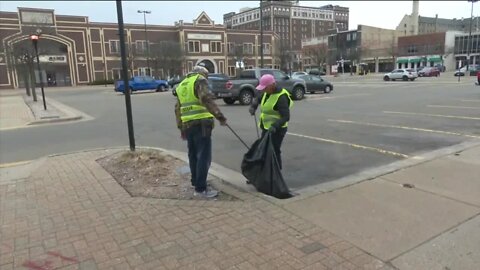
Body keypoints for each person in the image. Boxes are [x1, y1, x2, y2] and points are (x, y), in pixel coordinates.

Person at [175, 66, 227, 198]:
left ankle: (196, 182)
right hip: (202, 124)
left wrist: (181, 127)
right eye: (207, 75)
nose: (207, 78)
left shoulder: (182, 84)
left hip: (187, 124)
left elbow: (177, 108)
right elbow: (206, 99)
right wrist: (220, 116)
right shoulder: (200, 80)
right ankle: (200, 189)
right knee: (203, 156)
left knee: (192, 155)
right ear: (203, 73)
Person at [249, 74, 292, 170]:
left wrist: (275, 125)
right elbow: (258, 98)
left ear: (272, 85)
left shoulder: (281, 97)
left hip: (278, 129)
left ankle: (276, 173)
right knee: (263, 149)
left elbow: (286, 117)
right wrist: (253, 106)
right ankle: (263, 174)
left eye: (265, 88)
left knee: (274, 151)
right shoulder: (267, 93)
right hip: (266, 127)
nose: (263, 90)